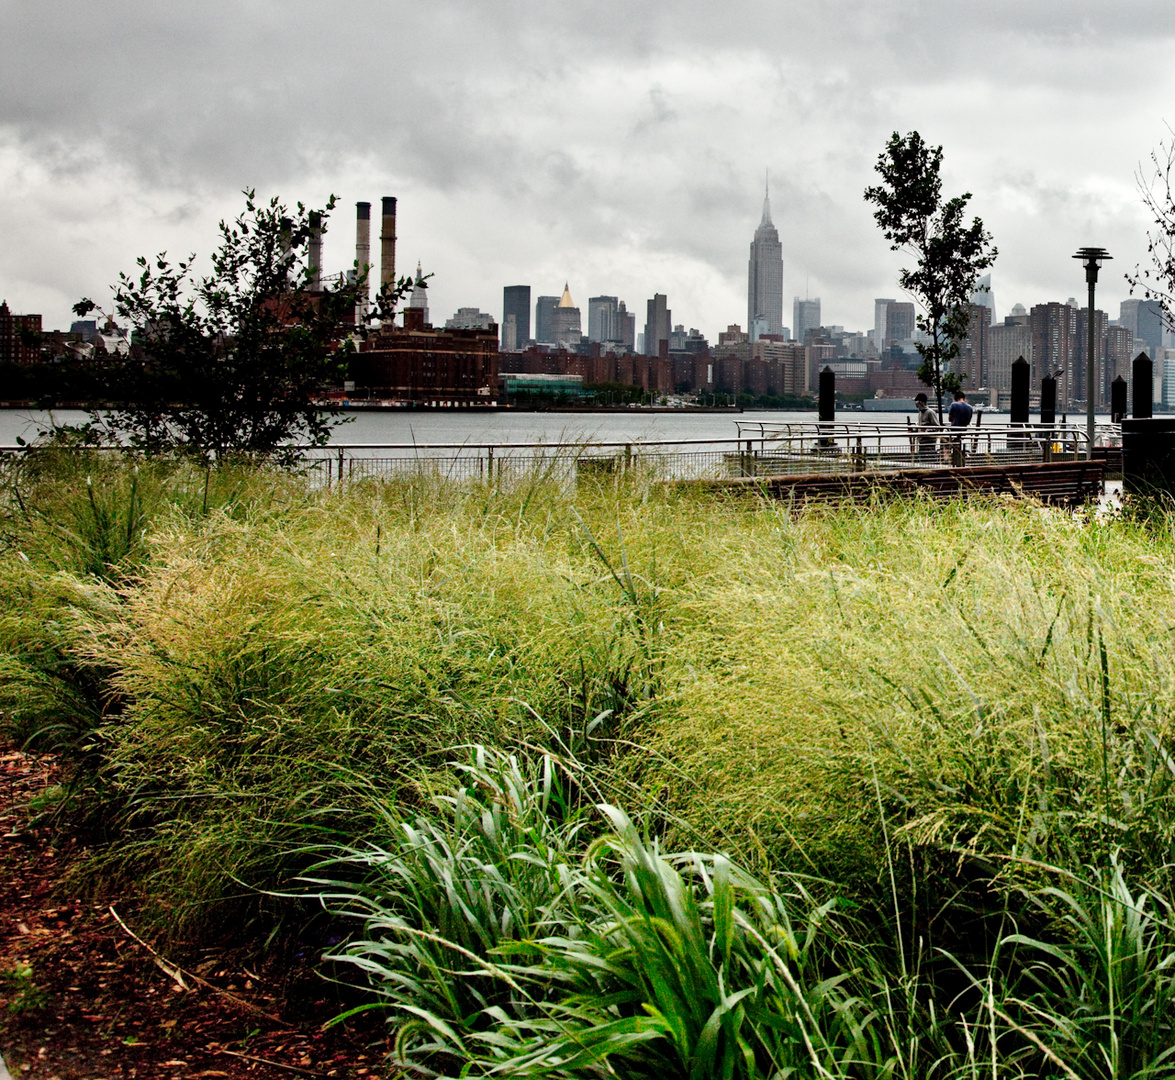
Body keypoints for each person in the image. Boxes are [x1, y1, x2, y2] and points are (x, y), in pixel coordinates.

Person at [912, 392, 940, 462]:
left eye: (917, 401)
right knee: (922, 459)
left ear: (921, 402)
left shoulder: (930, 412)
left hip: (929, 441)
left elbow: (937, 427)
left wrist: (927, 431)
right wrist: (914, 430)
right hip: (921, 441)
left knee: (930, 459)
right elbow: (920, 426)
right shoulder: (920, 413)